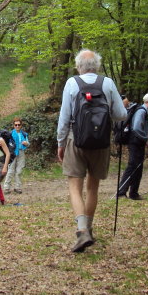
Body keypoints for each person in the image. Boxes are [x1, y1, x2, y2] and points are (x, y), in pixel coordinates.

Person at [57, 49, 127, 253]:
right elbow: (120, 115)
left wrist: (60, 143)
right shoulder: (107, 83)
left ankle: (81, 231)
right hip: (101, 142)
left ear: (79, 66)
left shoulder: (72, 83)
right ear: (97, 66)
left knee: (74, 186)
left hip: (74, 140)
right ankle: (89, 227)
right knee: (93, 188)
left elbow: (64, 117)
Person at [117, 93, 148, 200]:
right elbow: (136, 128)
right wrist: (145, 138)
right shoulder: (141, 111)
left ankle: (134, 193)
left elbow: (142, 128)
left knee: (138, 168)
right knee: (133, 167)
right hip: (135, 143)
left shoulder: (144, 111)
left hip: (138, 142)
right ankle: (122, 192)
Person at [2, 118, 29, 194]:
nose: (17, 126)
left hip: (21, 152)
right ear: (13, 125)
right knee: (10, 170)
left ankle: (17, 187)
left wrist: (26, 143)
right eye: (15, 125)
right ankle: (6, 188)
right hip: (12, 153)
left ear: (21, 125)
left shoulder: (24, 134)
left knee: (19, 171)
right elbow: (5, 144)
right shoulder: (10, 134)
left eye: (19, 125)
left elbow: (28, 143)